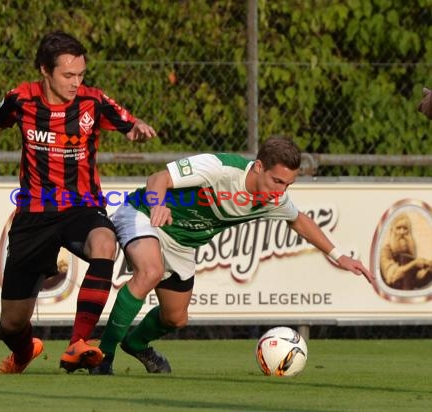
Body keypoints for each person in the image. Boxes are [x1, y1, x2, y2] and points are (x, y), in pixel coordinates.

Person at [0, 31, 156, 374]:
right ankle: (24, 351)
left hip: (81, 207)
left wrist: (137, 128)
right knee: (10, 325)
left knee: (104, 241)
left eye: (81, 74)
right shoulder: (20, 100)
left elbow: (127, 122)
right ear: (45, 70)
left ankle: (78, 343)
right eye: (67, 75)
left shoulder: (93, 102)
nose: (76, 83)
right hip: (34, 215)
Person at [90, 136, 375, 375]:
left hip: (183, 243)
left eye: (287, 185)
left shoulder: (273, 199)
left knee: (175, 318)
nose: (280, 192)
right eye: (277, 181)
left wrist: (338, 256)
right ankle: (103, 355)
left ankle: (136, 344)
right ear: (259, 167)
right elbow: (158, 178)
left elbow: (300, 220)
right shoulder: (220, 168)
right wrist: (157, 205)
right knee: (149, 272)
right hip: (144, 214)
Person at [380, 213, 432, 290]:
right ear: (392, 231)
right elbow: (391, 277)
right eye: (398, 228)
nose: (402, 232)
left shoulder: (409, 253)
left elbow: (417, 280)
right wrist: (414, 264)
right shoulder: (385, 251)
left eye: (405, 228)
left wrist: (428, 270)